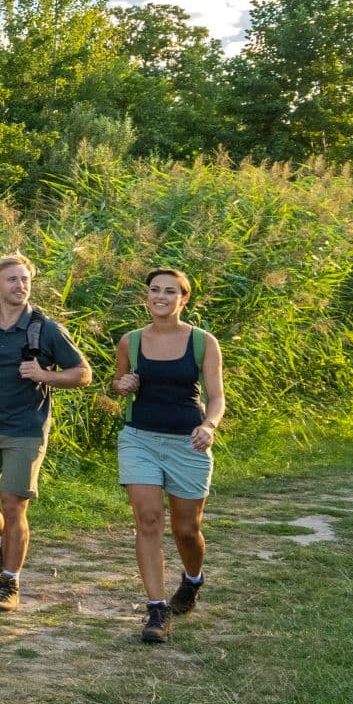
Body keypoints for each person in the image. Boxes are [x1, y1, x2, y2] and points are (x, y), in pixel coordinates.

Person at [0, 252, 91, 613]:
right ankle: (2, 541)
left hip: (26, 429)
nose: (20, 285)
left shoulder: (46, 329)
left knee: (13, 505)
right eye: (12, 279)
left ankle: (9, 584)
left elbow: (83, 374)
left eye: (25, 279)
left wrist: (45, 375)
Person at [111, 267, 226, 644]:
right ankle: (157, 609)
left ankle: (192, 579)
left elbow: (216, 397)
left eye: (169, 291)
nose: (160, 296)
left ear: (183, 298)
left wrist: (209, 426)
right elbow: (118, 383)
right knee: (148, 520)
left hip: (187, 442)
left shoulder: (203, 342)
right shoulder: (130, 341)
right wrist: (124, 384)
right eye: (154, 290)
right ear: (147, 296)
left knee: (186, 530)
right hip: (139, 439)